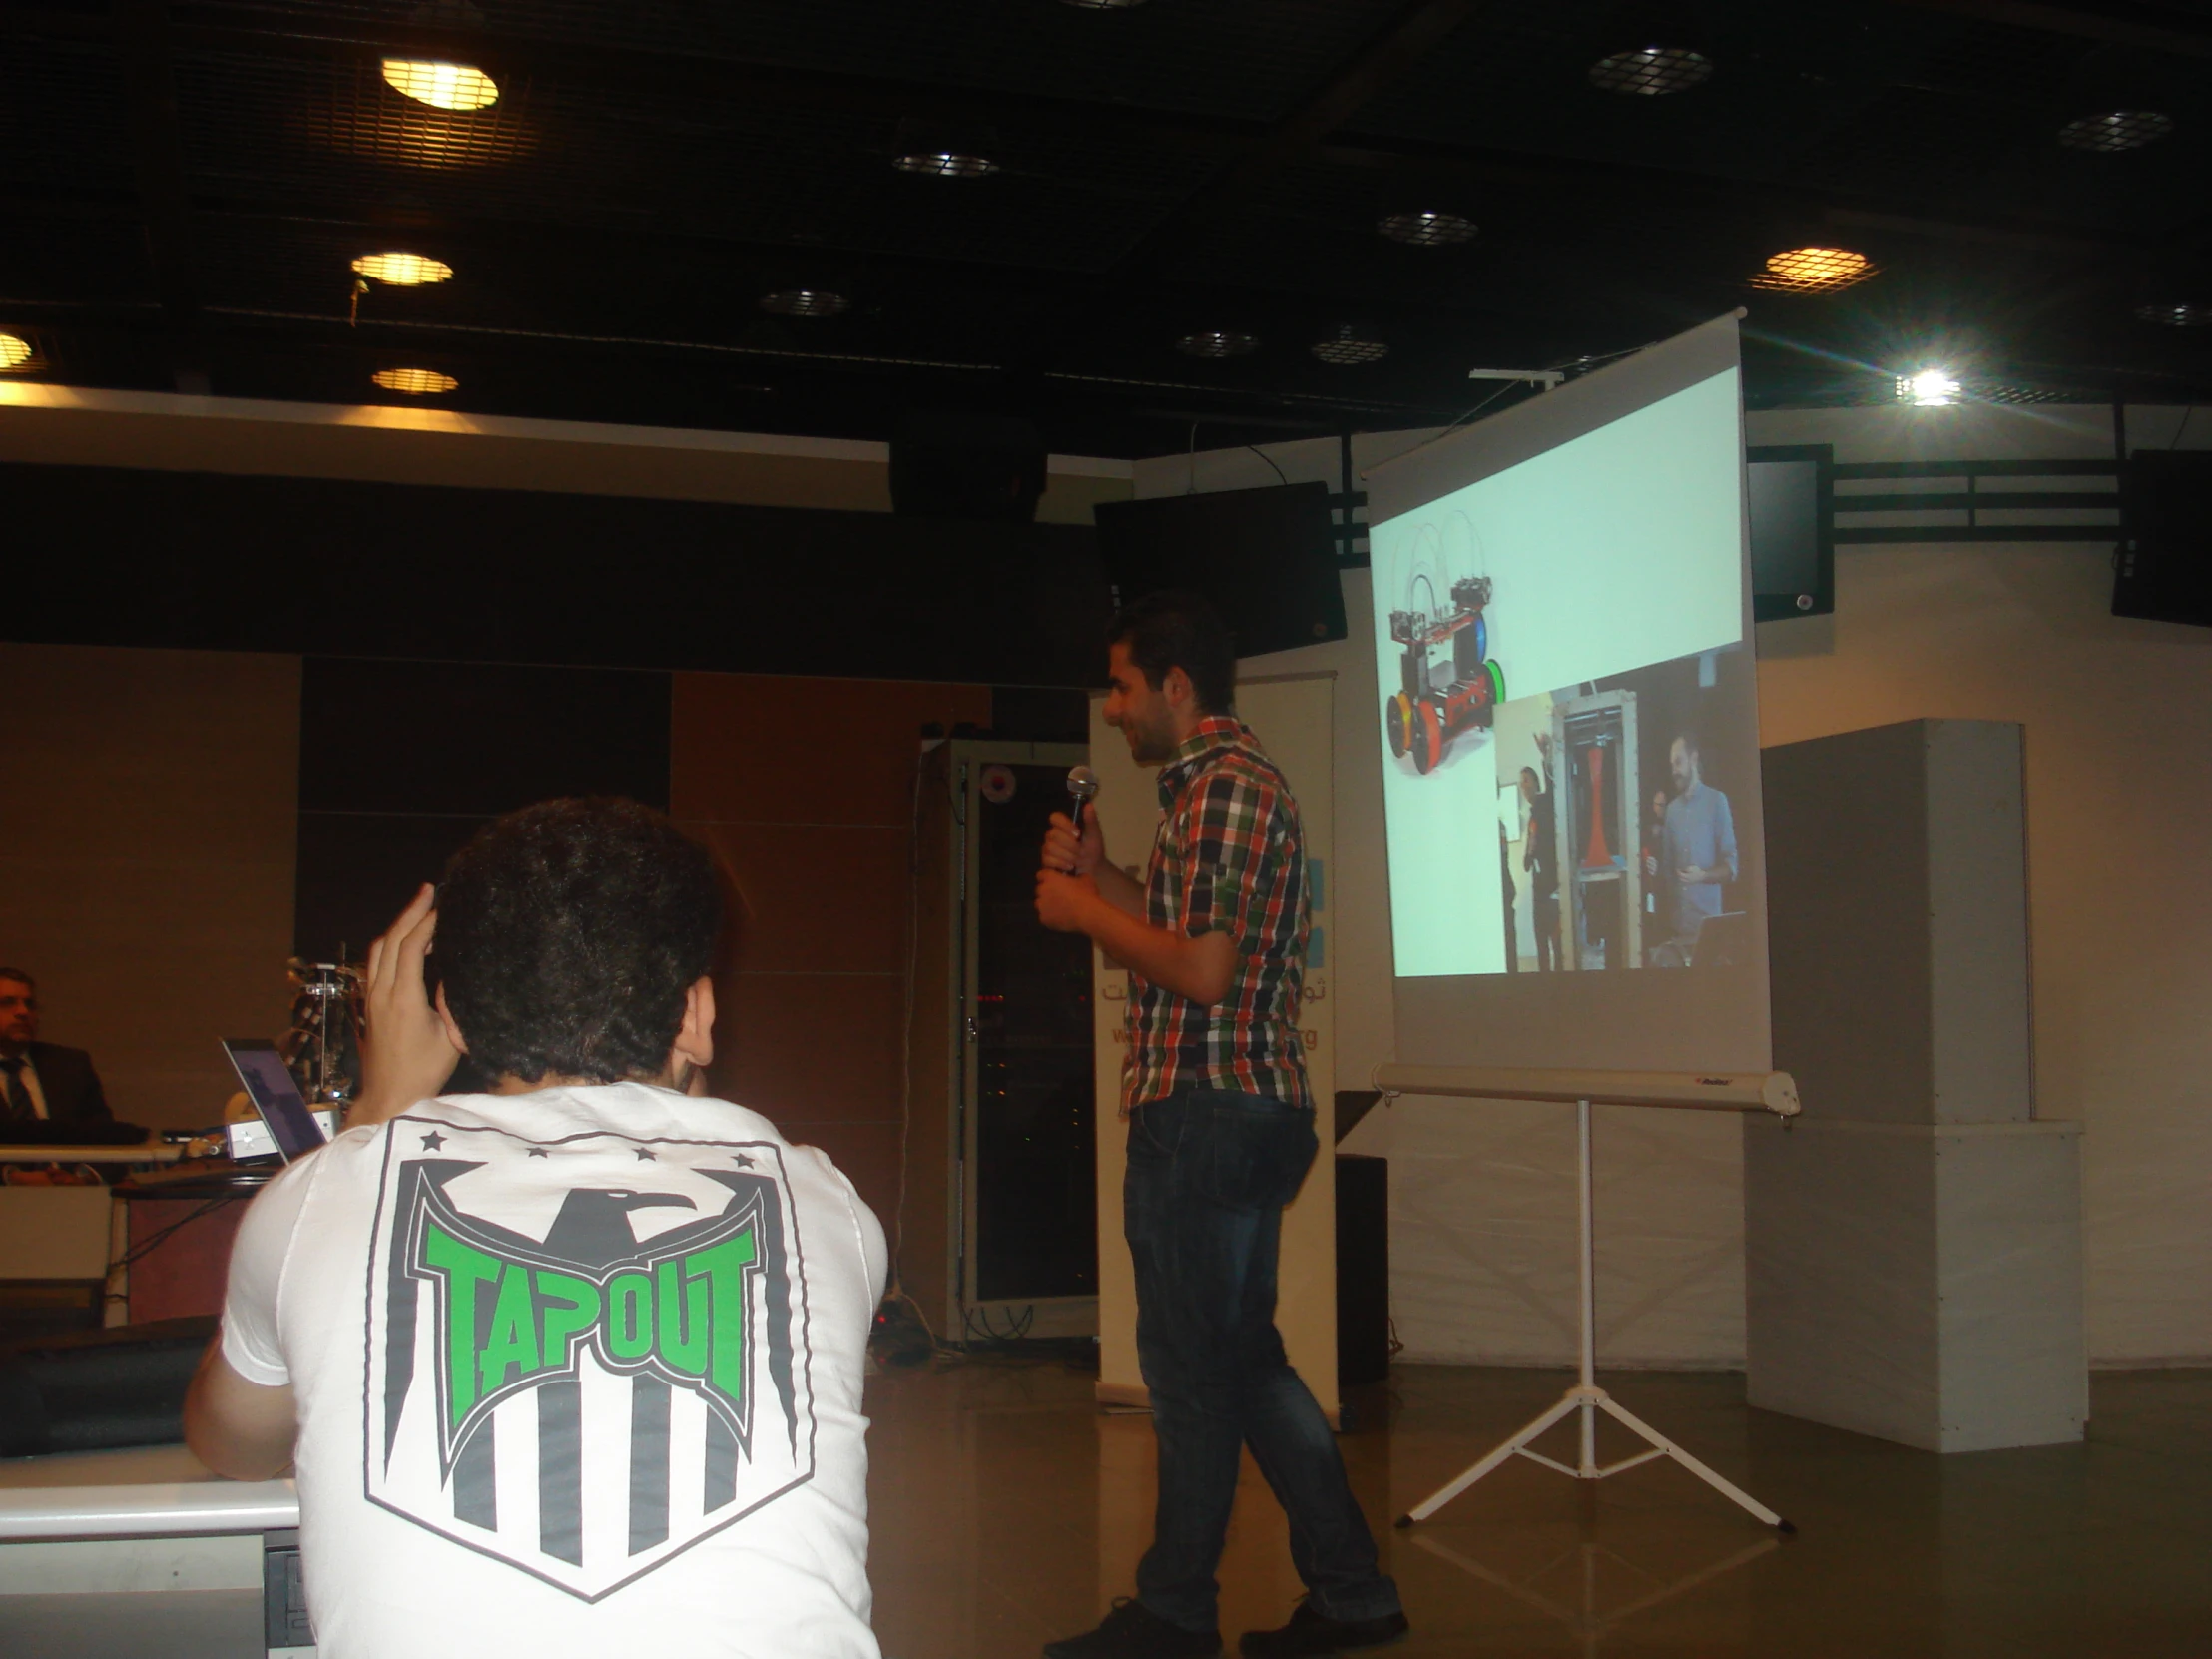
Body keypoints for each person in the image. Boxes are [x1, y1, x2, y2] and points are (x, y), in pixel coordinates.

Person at [184, 799, 887, 1659]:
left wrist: (379, 1115)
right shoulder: (831, 1207)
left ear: (453, 1020)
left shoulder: (314, 1200)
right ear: (698, 1016)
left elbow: (234, 1444)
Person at [1033, 593, 1405, 1659]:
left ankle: (1173, 1612)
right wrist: (1101, 874)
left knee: (1193, 1372)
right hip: (1230, 1111)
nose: (1112, 710)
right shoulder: (1207, 795)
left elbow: (1199, 973)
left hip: (1208, 1112)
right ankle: (1349, 1592)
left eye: (1121, 685)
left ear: (1174, 686)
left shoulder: (1227, 791)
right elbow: (1176, 928)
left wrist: (1079, 912)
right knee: (1239, 1363)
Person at [0, 968, 118, 1134]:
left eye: (29, 1004)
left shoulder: (70, 1065)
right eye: (7, 1003)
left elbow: (102, 1133)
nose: (23, 1012)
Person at [1654, 734, 1738, 964]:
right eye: (1672, 764)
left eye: (1678, 762)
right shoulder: (1671, 811)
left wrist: (1703, 876)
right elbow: (1668, 871)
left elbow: (1732, 868)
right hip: (1678, 933)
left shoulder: (1716, 801)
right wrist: (1653, 869)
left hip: (1710, 935)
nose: (1674, 770)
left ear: (1693, 758)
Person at [1517, 760, 1559, 973]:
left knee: (1558, 945)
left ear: (1535, 781)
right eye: (1520, 783)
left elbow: (1554, 788)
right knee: (1541, 944)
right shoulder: (1532, 816)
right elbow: (1525, 864)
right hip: (1538, 892)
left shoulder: (1545, 804)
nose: (1523, 786)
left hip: (1552, 888)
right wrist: (1531, 850)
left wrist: (1546, 758)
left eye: (1526, 780)